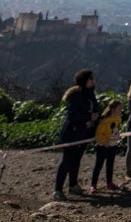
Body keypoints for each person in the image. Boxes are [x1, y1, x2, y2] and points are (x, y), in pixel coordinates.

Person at [52, 69, 100, 201]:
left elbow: (94, 109)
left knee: (77, 160)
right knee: (67, 160)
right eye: (91, 79)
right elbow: (73, 115)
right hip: (72, 133)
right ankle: (58, 189)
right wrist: (89, 116)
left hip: (84, 133)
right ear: (85, 81)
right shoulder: (77, 95)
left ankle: (73, 184)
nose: (93, 81)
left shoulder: (90, 94)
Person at [89, 98, 124, 194]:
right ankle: (93, 185)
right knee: (98, 165)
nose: (120, 111)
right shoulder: (104, 120)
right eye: (119, 109)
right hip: (103, 146)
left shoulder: (118, 119)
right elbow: (99, 134)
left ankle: (109, 182)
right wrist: (104, 142)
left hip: (113, 145)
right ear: (113, 109)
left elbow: (116, 130)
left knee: (110, 164)